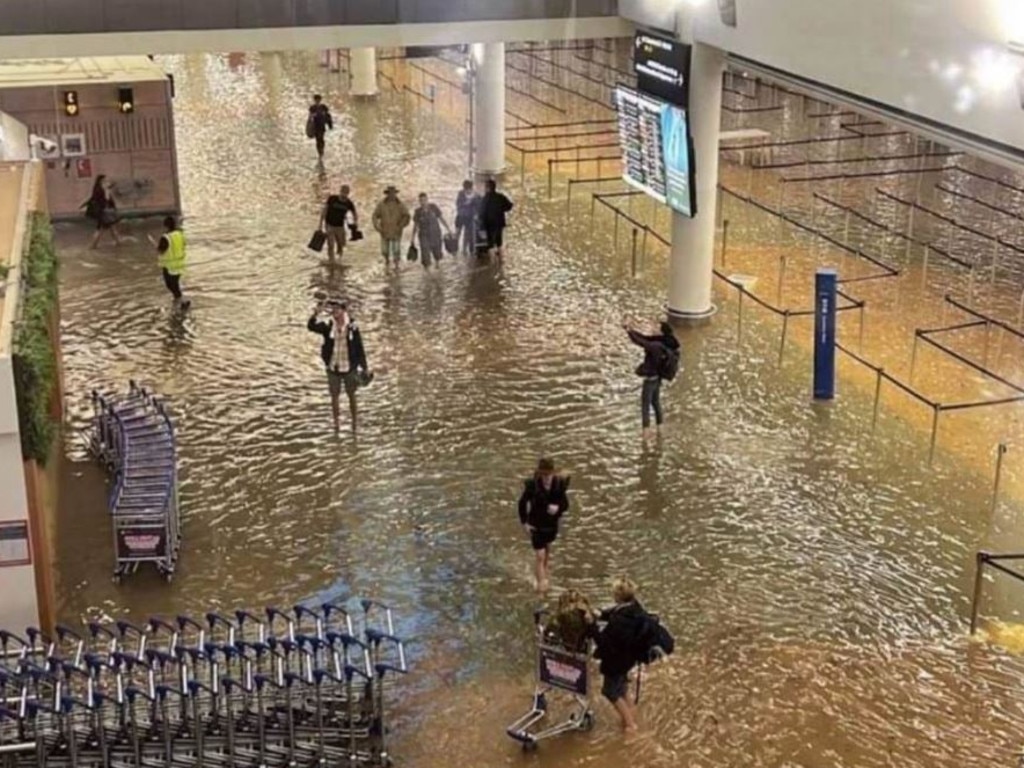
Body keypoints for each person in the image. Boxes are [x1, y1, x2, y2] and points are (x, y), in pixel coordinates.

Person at [307, 301, 372, 434]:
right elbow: (311, 326)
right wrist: (315, 313)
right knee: (334, 396)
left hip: (349, 367)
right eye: (332, 309)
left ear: (343, 310)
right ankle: (337, 424)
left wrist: (364, 367)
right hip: (333, 367)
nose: (334, 311)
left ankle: (354, 423)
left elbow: (359, 347)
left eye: (337, 308)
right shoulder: (328, 325)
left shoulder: (352, 326)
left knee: (351, 395)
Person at [593, 579, 645, 732]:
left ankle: (630, 724)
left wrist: (592, 627)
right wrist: (602, 614)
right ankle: (630, 715)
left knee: (609, 691)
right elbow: (616, 611)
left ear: (618, 596)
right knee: (622, 689)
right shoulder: (635, 609)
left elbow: (603, 642)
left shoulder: (619, 621)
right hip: (629, 658)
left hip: (616, 661)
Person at [517, 458, 570, 593]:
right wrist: (524, 523)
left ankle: (544, 574)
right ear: (539, 474)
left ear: (553, 473)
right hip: (535, 524)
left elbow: (566, 504)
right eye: (543, 475)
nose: (546, 478)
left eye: (548, 475)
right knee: (540, 555)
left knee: (546, 549)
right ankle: (541, 585)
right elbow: (522, 503)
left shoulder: (559, 484)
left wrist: (558, 508)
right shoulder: (532, 486)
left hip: (551, 525)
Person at [624, 320, 680, 439]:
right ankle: (660, 427)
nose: (653, 328)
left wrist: (629, 332)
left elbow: (641, 342)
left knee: (645, 405)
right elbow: (645, 338)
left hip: (650, 379)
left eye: (656, 327)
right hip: (658, 378)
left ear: (661, 331)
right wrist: (631, 330)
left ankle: (646, 432)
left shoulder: (655, 346)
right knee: (656, 402)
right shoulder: (667, 343)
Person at [148, 216, 189, 311]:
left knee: (170, 285)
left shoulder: (165, 237)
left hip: (169, 266)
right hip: (180, 264)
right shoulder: (180, 234)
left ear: (166, 226)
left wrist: (155, 246)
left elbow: (161, 251)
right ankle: (178, 301)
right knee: (175, 284)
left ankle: (182, 301)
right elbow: (183, 244)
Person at [319, 184, 358, 265]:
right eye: (343, 192)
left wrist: (355, 223)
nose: (344, 195)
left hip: (340, 226)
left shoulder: (349, 203)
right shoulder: (332, 199)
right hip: (329, 224)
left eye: (346, 193)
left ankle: (339, 259)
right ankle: (331, 260)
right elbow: (324, 211)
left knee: (341, 244)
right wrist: (320, 224)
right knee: (330, 243)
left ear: (348, 193)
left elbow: (354, 213)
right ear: (340, 192)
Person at [372, 186, 411, 265]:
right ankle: (387, 263)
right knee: (384, 251)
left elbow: (407, 216)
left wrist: (400, 226)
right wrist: (377, 227)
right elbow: (375, 215)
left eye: (393, 193)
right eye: (390, 193)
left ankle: (396, 266)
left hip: (396, 232)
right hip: (384, 231)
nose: (392, 195)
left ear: (395, 193)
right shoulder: (381, 204)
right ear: (387, 194)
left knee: (396, 251)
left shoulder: (400, 205)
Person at [411, 193, 451, 269]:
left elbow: (441, 219)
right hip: (424, 235)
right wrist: (412, 238)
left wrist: (448, 229)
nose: (423, 202)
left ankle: (437, 266)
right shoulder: (418, 212)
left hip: (435, 233)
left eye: (424, 200)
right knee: (425, 252)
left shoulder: (434, 207)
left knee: (437, 252)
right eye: (421, 201)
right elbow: (415, 226)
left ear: (427, 200)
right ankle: (427, 272)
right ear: (419, 201)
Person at [83, 175, 123, 249]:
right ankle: (93, 246)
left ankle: (118, 243)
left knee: (111, 228)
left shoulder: (96, 189)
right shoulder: (103, 190)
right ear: (102, 181)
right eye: (105, 180)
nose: (107, 182)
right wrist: (108, 191)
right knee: (100, 229)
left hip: (102, 212)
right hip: (105, 213)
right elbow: (107, 200)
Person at [478, 179, 513, 257]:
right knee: (499, 241)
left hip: (489, 225)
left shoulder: (485, 199)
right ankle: (500, 262)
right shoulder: (500, 197)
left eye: (485, 187)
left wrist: (481, 227)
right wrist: (501, 209)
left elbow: (481, 213)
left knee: (490, 244)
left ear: (488, 188)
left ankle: (491, 265)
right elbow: (510, 206)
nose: (484, 188)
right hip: (499, 223)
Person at [454, 180, 480, 255]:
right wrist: (466, 203)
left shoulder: (476, 195)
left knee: (467, 234)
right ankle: (455, 249)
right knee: (457, 233)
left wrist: (476, 214)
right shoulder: (460, 194)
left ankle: (464, 250)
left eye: (469, 189)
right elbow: (458, 205)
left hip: (469, 218)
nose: (468, 190)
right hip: (461, 216)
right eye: (466, 189)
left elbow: (478, 207)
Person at [307, 94, 333, 160]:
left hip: (322, 126)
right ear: (315, 100)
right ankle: (319, 152)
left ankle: (321, 150)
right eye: (316, 100)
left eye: (318, 100)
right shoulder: (312, 108)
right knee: (318, 140)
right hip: (315, 126)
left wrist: (330, 125)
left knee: (321, 138)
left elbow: (328, 116)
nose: (317, 101)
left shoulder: (324, 107)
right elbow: (309, 118)